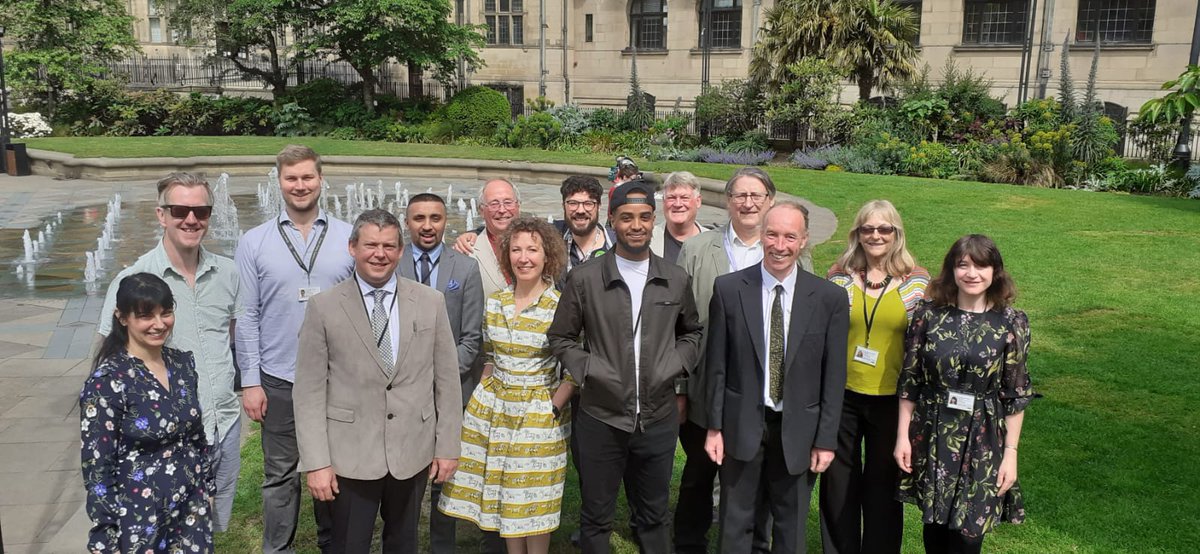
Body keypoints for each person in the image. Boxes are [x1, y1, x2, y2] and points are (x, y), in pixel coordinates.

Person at [294, 209, 463, 553]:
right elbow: (309, 391)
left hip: (412, 452)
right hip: (350, 455)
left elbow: (446, 379)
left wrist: (447, 447)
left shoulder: (430, 302)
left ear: (400, 251)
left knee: (404, 544)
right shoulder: (324, 308)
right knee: (348, 545)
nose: (379, 254)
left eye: (388, 246)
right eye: (371, 245)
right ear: (352, 247)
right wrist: (317, 463)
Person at [548, 180, 703, 554]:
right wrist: (591, 369)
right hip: (601, 417)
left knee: (653, 515)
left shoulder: (675, 278)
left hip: (657, 419)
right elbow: (561, 338)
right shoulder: (585, 279)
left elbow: (693, 333)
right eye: (627, 217)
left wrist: (673, 364)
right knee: (596, 517)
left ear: (654, 220)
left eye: (645, 217)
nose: (637, 225)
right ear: (612, 220)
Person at [674, 167, 811, 553]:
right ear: (727, 201)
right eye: (739, 195)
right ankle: (688, 542)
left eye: (757, 195)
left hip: (767, 388)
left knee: (761, 476)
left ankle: (758, 543)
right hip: (709, 384)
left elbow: (804, 318)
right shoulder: (699, 249)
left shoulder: (790, 250)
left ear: (770, 201)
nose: (748, 203)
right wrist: (681, 386)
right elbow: (679, 322)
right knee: (699, 472)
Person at [96, 172, 243, 533]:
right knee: (166, 532)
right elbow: (105, 363)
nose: (191, 219)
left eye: (201, 211)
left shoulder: (228, 273)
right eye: (179, 209)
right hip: (166, 439)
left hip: (224, 423)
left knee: (208, 532)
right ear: (161, 214)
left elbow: (235, 341)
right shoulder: (134, 279)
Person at [704, 201, 849, 554]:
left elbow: (833, 375)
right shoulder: (729, 289)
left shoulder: (829, 297)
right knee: (735, 521)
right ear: (761, 235)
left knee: (791, 524)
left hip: (799, 428)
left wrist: (826, 440)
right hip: (742, 423)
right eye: (772, 234)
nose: (779, 245)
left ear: (803, 241)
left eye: (789, 236)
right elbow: (717, 365)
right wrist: (714, 427)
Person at [235, 145, 353, 553]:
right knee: (279, 476)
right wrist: (250, 381)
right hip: (279, 377)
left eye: (307, 177)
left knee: (335, 470)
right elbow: (246, 316)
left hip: (337, 378)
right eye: (291, 178)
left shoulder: (347, 237)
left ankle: (333, 546)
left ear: (321, 179)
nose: (300, 185)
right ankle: (277, 549)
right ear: (279, 182)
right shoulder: (254, 242)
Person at [439, 217, 575, 554]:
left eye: (532, 249)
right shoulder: (496, 301)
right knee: (506, 495)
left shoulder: (560, 305)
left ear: (548, 256)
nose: (524, 257)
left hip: (539, 412)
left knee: (534, 499)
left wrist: (554, 405)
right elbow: (488, 354)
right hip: (495, 411)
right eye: (516, 249)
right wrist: (480, 401)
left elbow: (575, 366)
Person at [895, 235, 1033, 554]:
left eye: (981, 266)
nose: (972, 274)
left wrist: (1010, 453)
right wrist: (903, 436)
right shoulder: (927, 314)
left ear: (995, 271)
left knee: (968, 535)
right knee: (935, 527)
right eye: (963, 265)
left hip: (983, 437)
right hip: (933, 432)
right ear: (951, 270)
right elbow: (910, 380)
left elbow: (1016, 393)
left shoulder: (1011, 322)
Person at [820, 200, 930, 554]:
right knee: (839, 484)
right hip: (843, 395)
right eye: (868, 229)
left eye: (884, 229)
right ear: (858, 234)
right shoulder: (839, 275)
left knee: (883, 488)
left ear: (897, 234)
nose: (876, 235)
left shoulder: (916, 281)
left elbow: (925, 343)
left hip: (892, 399)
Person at [397, 193, 499, 554]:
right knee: (406, 475)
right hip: (401, 391)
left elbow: (472, 338)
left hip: (452, 387)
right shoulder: (391, 264)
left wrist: (437, 378)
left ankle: (443, 546)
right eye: (419, 218)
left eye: (435, 218)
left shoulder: (464, 268)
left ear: (446, 221)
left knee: (445, 474)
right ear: (407, 222)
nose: (428, 226)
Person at [81, 272, 213, 553]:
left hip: (191, 511)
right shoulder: (108, 381)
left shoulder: (182, 365)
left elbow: (197, 437)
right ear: (122, 317)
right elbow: (97, 468)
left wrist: (206, 490)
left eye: (165, 313)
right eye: (145, 316)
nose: (158, 324)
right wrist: (107, 535)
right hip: (139, 519)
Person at [456, 179, 523, 298]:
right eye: (494, 204)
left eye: (508, 202)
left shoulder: (540, 245)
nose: (502, 210)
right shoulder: (465, 252)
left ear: (518, 206)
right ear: (481, 211)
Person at [650, 171, 706, 264]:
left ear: (698, 201)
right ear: (664, 202)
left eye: (684, 198)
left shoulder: (714, 242)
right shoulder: (648, 240)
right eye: (671, 198)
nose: (678, 204)